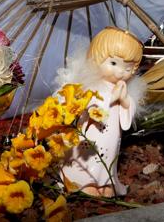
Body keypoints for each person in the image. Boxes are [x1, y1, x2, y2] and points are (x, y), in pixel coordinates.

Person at [59, 27, 145, 197]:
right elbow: (91, 106)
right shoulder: (93, 84)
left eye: (128, 68)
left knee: (108, 155)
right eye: (113, 63)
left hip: (112, 135)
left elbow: (127, 114)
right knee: (89, 154)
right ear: (96, 59)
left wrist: (125, 100)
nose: (120, 72)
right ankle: (84, 181)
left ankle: (105, 182)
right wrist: (112, 98)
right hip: (92, 132)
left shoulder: (122, 88)